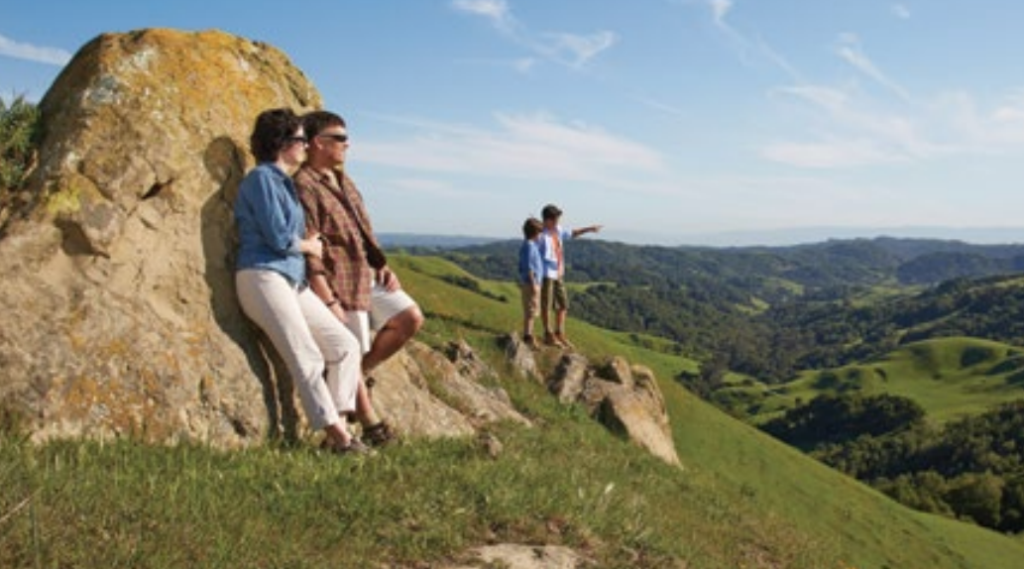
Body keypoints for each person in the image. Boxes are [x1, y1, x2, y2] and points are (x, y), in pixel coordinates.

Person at [233, 108, 369, 455]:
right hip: (262, 275)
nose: (305, 145)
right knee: (305, 354)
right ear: (282, 143)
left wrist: (307, 243)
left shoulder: (283, 183)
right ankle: (341, 438)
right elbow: (278, 237)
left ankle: (335, 429)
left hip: (290, 279)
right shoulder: (262, 178)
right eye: (299, 139)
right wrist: (310, 245)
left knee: (345, 346)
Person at [294, 110, 425, 444]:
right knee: (349, 348)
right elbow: (311, 244)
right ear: (318, 143)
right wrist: (327, 295)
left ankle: (360, 373)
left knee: (410, 318)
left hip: (365, 272)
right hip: (341, 279)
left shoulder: (343, 179)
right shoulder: (304, 185)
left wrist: (380, 262)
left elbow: (362, 228)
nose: (347, 145)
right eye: (340, 138)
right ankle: (369, 425)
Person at [537, 204, 602, 348]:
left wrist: (589, 229)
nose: (557, 223)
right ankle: (548, 335)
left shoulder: (557, 231)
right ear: (547, 220)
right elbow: (534, 255)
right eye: (555, 220)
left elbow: (572, 233)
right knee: (546, 306)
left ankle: (559, 333)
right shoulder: (541, 235)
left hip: (558, 273)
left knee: (563, 305)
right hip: (546, 274)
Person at [518, 217, 544, 348]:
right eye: (540, 233)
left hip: (532, 283)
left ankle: (530, 334)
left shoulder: (530, 245)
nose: (541, 236)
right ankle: (527, 336)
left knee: (532, 311)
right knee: (530, 310)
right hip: (530, 283)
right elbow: (529, 267)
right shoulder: (529, 246)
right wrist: (534, 284)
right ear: (535, 233)